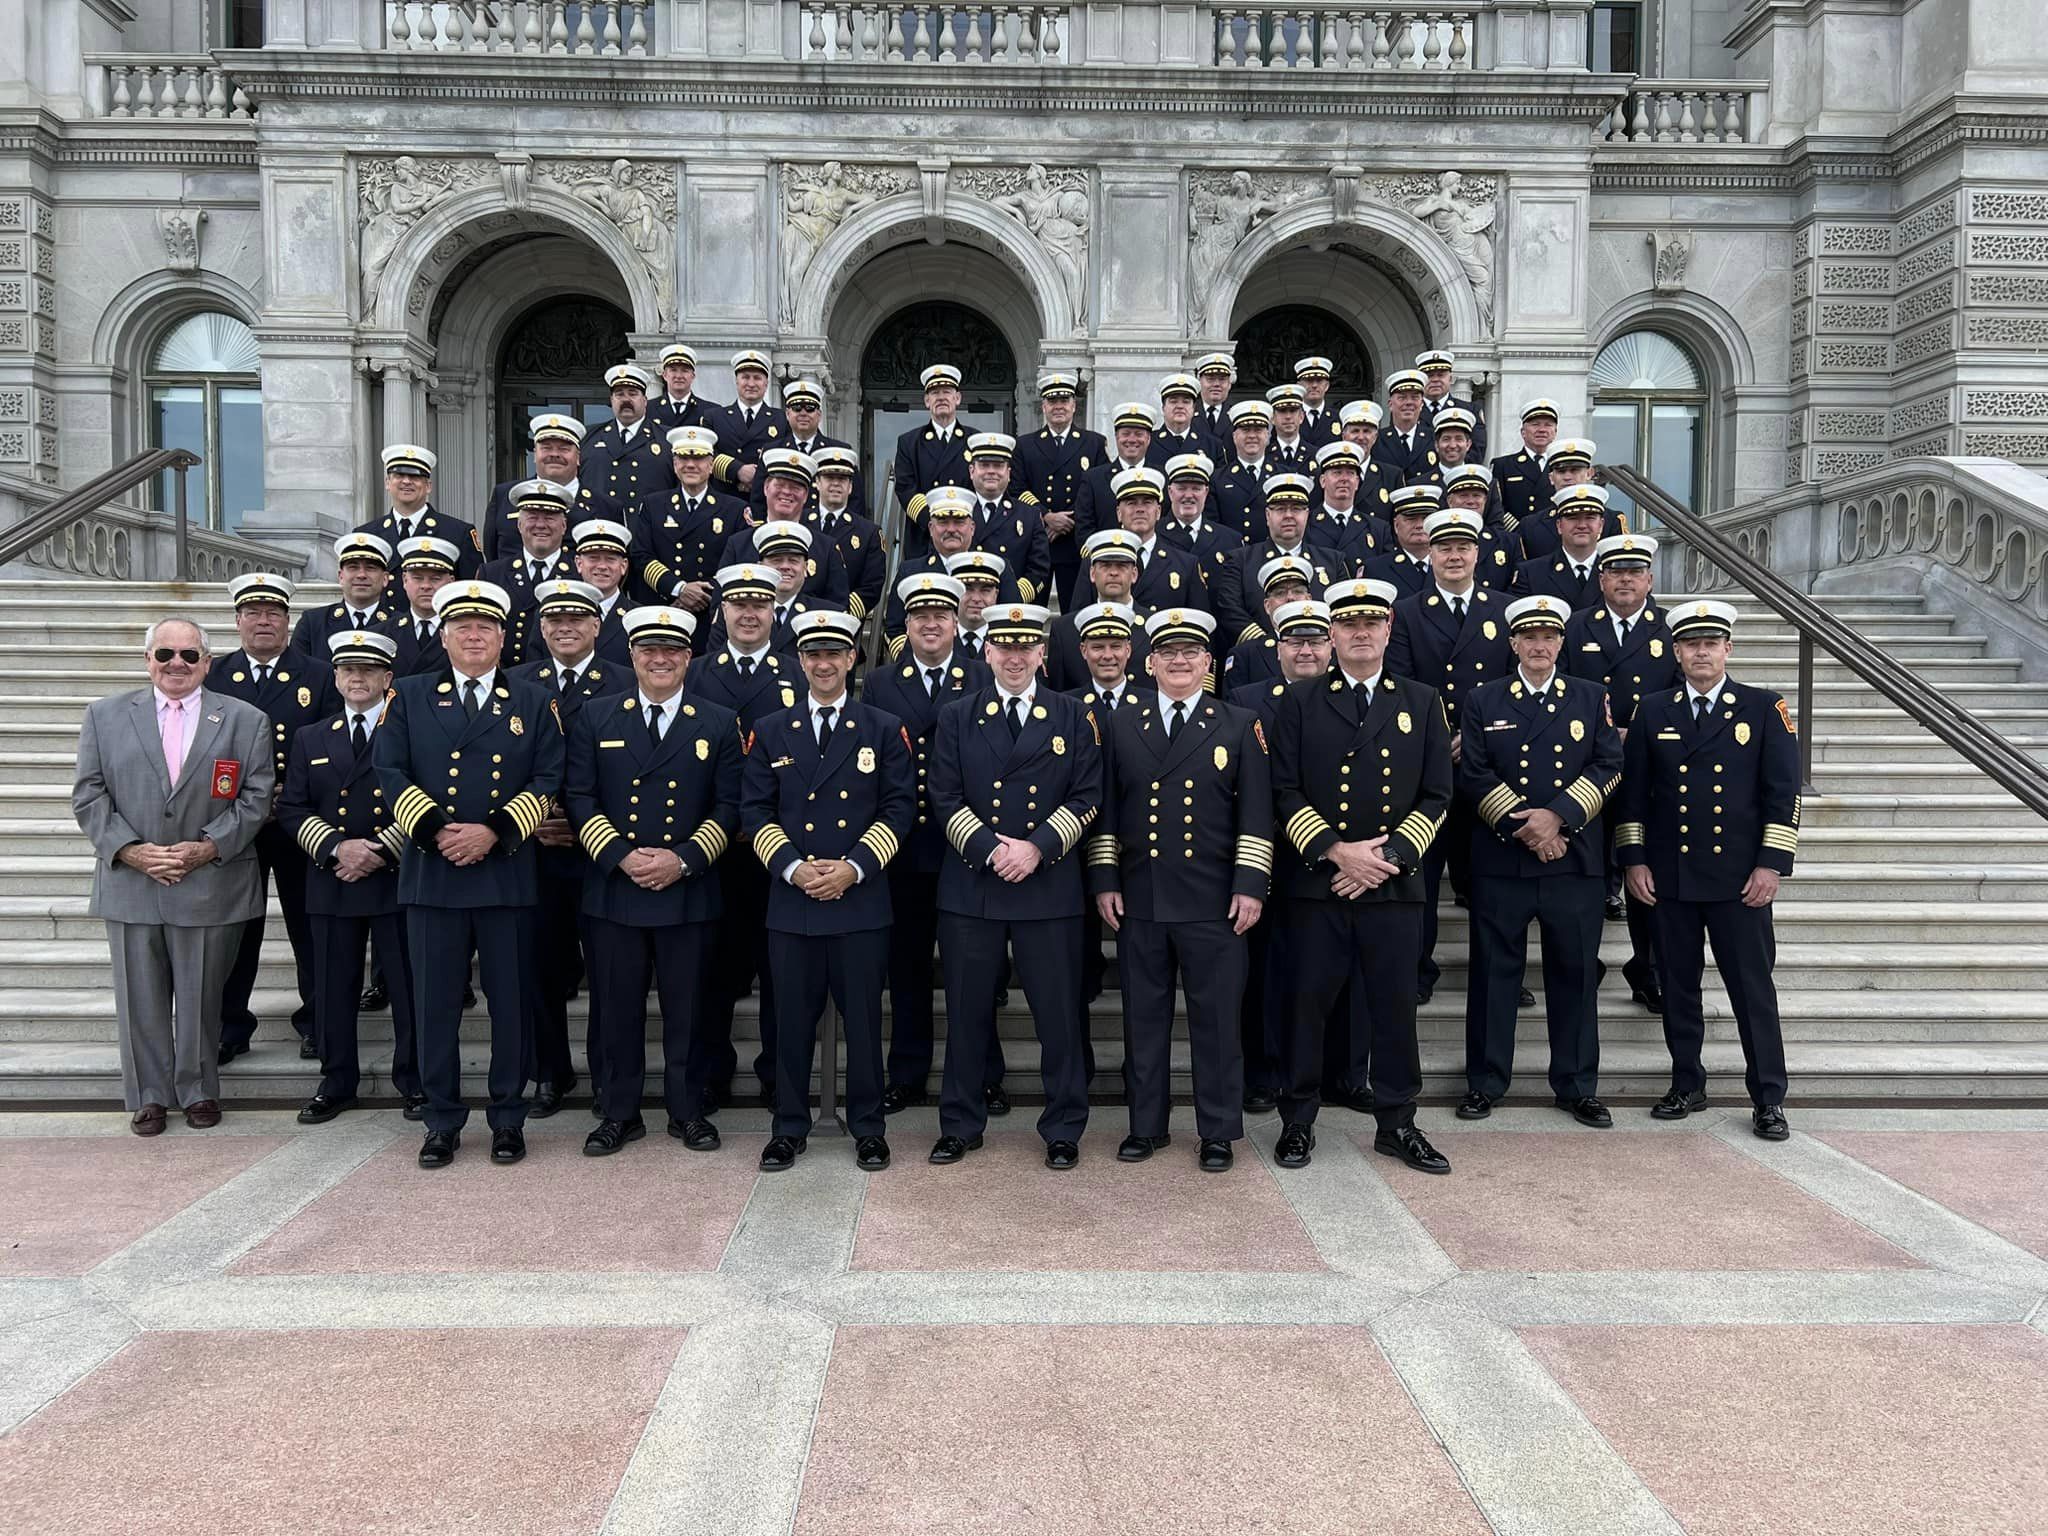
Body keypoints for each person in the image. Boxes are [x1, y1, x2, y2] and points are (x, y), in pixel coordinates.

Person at [376, 580, 564, 1169]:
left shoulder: (532, 700)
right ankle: (440, 1119)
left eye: (486, 627)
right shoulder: (406, 694)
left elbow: (548, 776)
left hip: (506, 872)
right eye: (462, 626)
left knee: (510, 1003)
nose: (475, 635)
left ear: (504, 637)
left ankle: (508, 1117)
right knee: (434, 1006)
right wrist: (437, 831)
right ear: (444, 633)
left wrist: (496, 832)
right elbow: (389, 770)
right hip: (434, 873)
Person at [1269, 579, 1452, 1175]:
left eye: (1371, 623)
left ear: (1388, 630)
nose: (1361, 633)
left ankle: (1398, 1123)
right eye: (1348, 625)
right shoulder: (1298, 701)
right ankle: (1297, 1120)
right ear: (1333, 635)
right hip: (1318, 885)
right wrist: (1335, 851)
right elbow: (1284, 788)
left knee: (1394, 1008)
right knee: (1307, 1005)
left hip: (1394, 886)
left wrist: (1389, 858)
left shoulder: (1421, 701)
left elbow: (1436, 793)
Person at [73, 617, 273, 1135]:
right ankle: (150, 1096)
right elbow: (90, 796)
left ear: (208, 662)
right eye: (165, 655)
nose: (176, 665)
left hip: (210, 881)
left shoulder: (245, 719)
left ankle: (200, 1089)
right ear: (148, 661)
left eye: (189, 655)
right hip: (133, 881)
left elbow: (256, 797)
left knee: (205, 997)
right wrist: (133, 851)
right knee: (140, 998)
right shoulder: (105, 716)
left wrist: (207, 848)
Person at [1090, 607, 1270, 1172]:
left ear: (1208, 663)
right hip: (1141, 896)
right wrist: (1104, 878)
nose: (1180, 661)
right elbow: (1106, 810)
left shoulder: (1239, 723)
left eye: (1190, 653)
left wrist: (1250, 886)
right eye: (1168, 653)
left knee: (1216, 1021)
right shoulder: (1122, 722)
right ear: (1150, 663)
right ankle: (1147, 1125)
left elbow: (1257, 814)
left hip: (1214, 901)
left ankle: (1217, 1130)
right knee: (1144, 1017)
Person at [1616, 599, 1801, 1141]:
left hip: (1740, 881)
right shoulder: (1654, 709)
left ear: (1728, 649)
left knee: (1752, 992)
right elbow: (1634, 797)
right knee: (1678, 987)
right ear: (1676, 652)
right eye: (1690, 644)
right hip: (1670, 878)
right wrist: (1634, 858)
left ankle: (1768, 1097)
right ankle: (1686, 1082)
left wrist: (1772, 865)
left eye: (1710, 643)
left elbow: (1783, 794)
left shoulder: (1765, 708)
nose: (1701, 652)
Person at [928, 603, 1103, 1168]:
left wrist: (1037, 849)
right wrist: (990, 849)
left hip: (1046, 887)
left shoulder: (1072, 715)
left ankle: (1063, 1127)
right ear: (986, 651)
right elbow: (944, 795)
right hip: (973, 886)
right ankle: (960, 1122)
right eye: (1004, 647)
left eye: (1026, 647)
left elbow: (1087, 797)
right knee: (967, 1013)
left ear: (1042, 654)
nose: (1014, 657)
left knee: (1058, 1017)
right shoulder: (957, 714)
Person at [565, 604, 742, 1155]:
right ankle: (619, 1112)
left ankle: (687, 1110)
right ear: (633, 656)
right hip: (615, 887)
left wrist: (683, 859)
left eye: (672, 651)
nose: (660, 659)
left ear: (688, 658)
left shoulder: (717, 720)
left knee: (689, 1009)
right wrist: (620, 855)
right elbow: (579, 797)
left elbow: (729, 805)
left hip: (688, 887)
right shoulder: (596, 716)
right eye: (649, 651)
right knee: (616, 1008)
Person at [743, 609, 915, 1173]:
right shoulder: (770, 730)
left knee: (864, 1022)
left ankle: (868, 1126)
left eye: (833, 654)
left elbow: (898, 809)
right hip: (793, 901)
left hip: (860, 899)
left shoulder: (882, 728)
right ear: (800, 662)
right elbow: (755, 812)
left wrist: (853, 867)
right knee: (789, 1021)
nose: (823, 663)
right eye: (813, 655)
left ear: (852, 659)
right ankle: (788, 1126)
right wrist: (794, 868)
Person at [1456, 594, 1623, 1127]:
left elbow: (1609, 765)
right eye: (1528, 637)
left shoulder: (1590, 696)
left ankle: (1576, 1085)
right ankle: (1485, 1083)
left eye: (1548, 637)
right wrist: (1527, 828)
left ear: (1560, 643)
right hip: (1503, 858)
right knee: (1492, 977)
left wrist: (1559, 818)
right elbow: (1473, 773)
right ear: (1512, 644)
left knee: (1574, 974)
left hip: (1572, 862)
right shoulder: (1483, 699)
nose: (1539, 646)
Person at [277, 629, 424, 1123]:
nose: (357, 678)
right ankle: (337, 1081)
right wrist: (338, 847)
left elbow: (427, 797)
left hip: (393, 876)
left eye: (368, 670)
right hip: (332, 875)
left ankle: (415, 1079)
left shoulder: (408, 730)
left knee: (407, 988)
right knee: (333, 988)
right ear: (335, 677)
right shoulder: (310, 736)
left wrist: (381, 848)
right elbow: (293, 807)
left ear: (388, 677)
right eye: (347, 670)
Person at [862, 574, 992, 1111]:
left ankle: (984, 1072)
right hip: (904, 848)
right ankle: (908, 1073)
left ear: (956, 621)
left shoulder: (981, 674)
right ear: (907, 626)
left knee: (973, 970)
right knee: (908, 967)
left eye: (941, 616)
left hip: (964, 847)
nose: (931, 625)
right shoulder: (881, 681)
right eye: (920, 617)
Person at [510, 578, 628, 1116]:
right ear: (541, 628)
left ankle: (608, 1074)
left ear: (597, 627)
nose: (565, 628)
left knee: (608, 973)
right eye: (554, 620)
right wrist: (530, 818)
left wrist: (583, 829)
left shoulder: (625, 682)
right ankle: (549, 1073)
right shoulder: (513, 683)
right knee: (538, 970)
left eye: (577, 620)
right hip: (530, 851)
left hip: (603, 854)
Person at [1386, 507, 1514, 1003]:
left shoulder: (1505, 609)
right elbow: (1400, 684)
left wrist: (1476, 738)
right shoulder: (1407, 611)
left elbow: (1511, 687)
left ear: (1477, 554)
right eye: (1444, 547)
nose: (1454, 555)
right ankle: (1418, 970)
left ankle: (1497, 972)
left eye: (1463, 547)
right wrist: (1442, 735)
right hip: (1427, 763)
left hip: (1490, 765)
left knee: (1489, 881)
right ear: (1430, 554)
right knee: (1421, 875)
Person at [686, 562, 803, 1105]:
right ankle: (710, 1072)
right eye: (739, 605)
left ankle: (780, 1075)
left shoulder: (798, 672)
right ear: (723, 611)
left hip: (776, 850)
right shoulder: (695, 671)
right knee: (712, 971)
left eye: (760, 605)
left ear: (773, 611)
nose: (749, 614)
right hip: (711, 851)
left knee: (782, 973)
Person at [211, 573, 337, 1065]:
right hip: (237, 823)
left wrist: (297, 793)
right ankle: (230, 1025)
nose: (264, 621)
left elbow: (332, 742)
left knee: (311, 928)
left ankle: (316, 1022)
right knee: (237, 929)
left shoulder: (319, 674)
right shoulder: (216, 674)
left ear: (288, 622)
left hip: (297, 823)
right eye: (253, 613)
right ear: (238, 621)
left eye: (274, 613)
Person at [1563, 534, 1679, 1009]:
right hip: (1585, 769)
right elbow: (1562, 692)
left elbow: (1680, 694)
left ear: (1650, 579)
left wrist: (1642, 733)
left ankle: (1647, 969)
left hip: (1648, 771)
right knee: (1586, 874)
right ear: (1601, 578)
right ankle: (1582, 963)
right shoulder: (1573, 627)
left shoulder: (1672, 630)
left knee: (1644, 873)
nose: (1625, 579)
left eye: (1635, 571)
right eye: (1616, 572)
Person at [1230, 598, 1332, 1111]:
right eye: (1296, 641)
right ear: (1278, 648)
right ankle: (1262, 1074)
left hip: (1330, 860)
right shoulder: (1247, 700)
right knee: (1264, 973)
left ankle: (1340, 1073)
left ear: (1330, 645)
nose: (1306, 650)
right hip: (1267, 855)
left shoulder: (1351, 698)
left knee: (1330, 972)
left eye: (1315, 640)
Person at [1212, 474, 1345, 652]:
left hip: (1318, 658)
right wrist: (1271, 644)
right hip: (1261, 658)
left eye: (1296, 509)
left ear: (1307, 514)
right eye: (1280, 509)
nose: (1288, 516)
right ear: (1268, 515)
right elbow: (1230, 610)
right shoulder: (1241, 561)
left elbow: (1340, 613)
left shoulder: (1333, 562)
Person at [1013, 370, 1107, 611]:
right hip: (1037, 540)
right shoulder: (1025, 445)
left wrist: (1069, 519)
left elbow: (1101, 489)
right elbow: (1016, 487)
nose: (1058, 407)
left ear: (1074, 405)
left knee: (1075, 613)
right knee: (1029, 612)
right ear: (1043, 406)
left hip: (1074, 543)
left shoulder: (1093, 443)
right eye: (1052, 401)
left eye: (1064, 400)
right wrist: (1046, 516)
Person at [631, 424, 744, 608]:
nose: (690, 465)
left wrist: (704, 595)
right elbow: (641, 555)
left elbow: (739, 563)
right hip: (667, 606)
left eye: (698, 458)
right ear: (675, 465)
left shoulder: (735, 509)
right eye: (684, 458)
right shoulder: (653, 506)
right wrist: (679, 589)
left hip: (712, 608)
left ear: (711, 465)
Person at [481, 477, 577, 666]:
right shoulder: (492, 575)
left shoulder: (581, 575)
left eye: (549, 517)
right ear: (519, 525)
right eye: (532, 517)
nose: (540, 525)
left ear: (564, 526)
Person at [356, 443, 484, 579]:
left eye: (415, 477)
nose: (406, 481)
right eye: (399, 475)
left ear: (428, 486)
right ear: (387, 482)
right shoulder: (367, 534)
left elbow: (470, 588)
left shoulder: (458, 533)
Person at [894, 362, 977, 560]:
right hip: (923, 536)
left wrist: (962, 524)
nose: (941, 397)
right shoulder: (909, 442)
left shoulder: (975, 440)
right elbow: (905, 487)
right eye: (934, 392)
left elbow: (982, 487)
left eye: (947, 391)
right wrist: (934, 523)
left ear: (957, 398)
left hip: (965, 537)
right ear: (926, 401)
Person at [481, 414, 584, 563]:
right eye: (546, 448)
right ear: (535, 454)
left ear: (578, 457)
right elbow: (492, 554)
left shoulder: (605, 506)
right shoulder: (504, 495)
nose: (554, 454)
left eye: (564, 449)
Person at [965, 431, 1052, 603]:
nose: (991, 471)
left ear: (1009, 472)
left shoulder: (1029, 515)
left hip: (1009, 611)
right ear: (972, 471)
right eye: (984, 465)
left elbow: (1039, 567)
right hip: (966, 607)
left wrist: (1012, 596)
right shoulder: (958, 512)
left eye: (998, 466)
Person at [808, 445, 887, 621]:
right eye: (829, 477)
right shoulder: (798, 523)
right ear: (817, 482)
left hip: (843, 623)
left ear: (850, 487)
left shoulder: (869, 533)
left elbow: (871, 587)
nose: (836, 483)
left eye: (842, 479)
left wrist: (840, 615)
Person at [291, 532, 401, 655]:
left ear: (385, 579)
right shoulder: (313, 623)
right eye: (353, 567)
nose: (361, 575)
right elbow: (298, 669)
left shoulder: (400, 625)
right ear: (341, 577)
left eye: (370, 568)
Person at [580, 363, 668, 517]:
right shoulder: (588, 437)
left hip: (647, 532)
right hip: (600, 531)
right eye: (619, 394)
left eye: (633, 393)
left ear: (645, 401)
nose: (626, 399)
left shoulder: (666, 439)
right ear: (611, 400)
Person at [1074, 402, 1161, 549]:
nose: (1132, 440)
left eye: (1139, 434)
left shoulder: (1162, 477)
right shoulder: (1093, 479)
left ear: (1148, 439)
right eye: (1125, 434)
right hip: (1109, 565)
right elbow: (1084, 530)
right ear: (1116, 437)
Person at [1515, 483, 1612, 608]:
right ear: (1559, 526)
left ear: (1601, 525)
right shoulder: (1531, 573)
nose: (1582, 525)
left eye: (1590, 518)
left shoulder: (1616, 573)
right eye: (1573, 518)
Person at [711, 350, 789, 496]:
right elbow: (706, 454)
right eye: (745, 377)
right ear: (737, 381)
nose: (751, 384)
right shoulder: (715, 416)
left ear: (766, 384)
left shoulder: (782, 419)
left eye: (757, 378)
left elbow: (789, 455)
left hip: (766, 498)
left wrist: (758, 476)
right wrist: (738, 470)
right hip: (724, 497)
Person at [390, 535, 460, 677]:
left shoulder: (463, 634)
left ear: (451, 582)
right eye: (418, 578)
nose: (426, 586)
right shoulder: (384, 633)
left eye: (435, 579)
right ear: (404, 580)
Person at [1490, 399, 1558, 536]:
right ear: (1523, 432)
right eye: (1535, 424)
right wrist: (1519, 529)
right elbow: (1495, 504)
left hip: (1554, 535)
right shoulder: (1503, 465)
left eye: (1548, 425)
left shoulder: (1561, 466)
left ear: (1555, 432)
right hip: (1517, 536)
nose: (1542, 430)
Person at [1211, 400, 1273, 538]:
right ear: (1234, 437)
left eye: (1258, 430)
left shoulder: (1282, 475)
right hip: (1232, 555)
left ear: (1267, 436)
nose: (1252, 436)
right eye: (1245, 430)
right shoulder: (1217, 479)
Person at [1417, 347, 1487, 460]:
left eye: (1440, 375)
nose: (1435, 380)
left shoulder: (1469, 410)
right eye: (1429, 375)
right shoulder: (1410, 411)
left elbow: (1477, 452)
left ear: (1450, 378)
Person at [647, 341, 720, 437]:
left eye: (684, 371)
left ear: (693, 376)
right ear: (664, 375)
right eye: (673, 370)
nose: (679, 376)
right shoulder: (648, 409)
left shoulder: (711, 411)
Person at [1372, 370, 1434, 482]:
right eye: (1402, 398)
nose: (1409, 402)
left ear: (1421, 405)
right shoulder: (1377, 440)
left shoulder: (1434, 438)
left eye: (1415, 398)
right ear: (1390, 404)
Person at [1147, 373, 1207, 467]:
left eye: (1186, 402)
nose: (1180, 406)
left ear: (1194, 408)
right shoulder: (1147, 442)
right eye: (1173, 401)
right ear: (1163, 408)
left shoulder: (1212, 444)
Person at [1191, 352, 1236, 455]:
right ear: (1199, 381)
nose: (1216, 384)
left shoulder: (1237, 415)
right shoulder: (1187, 414)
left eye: (1222, 379)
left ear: (1229, 384)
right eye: (1210, 379)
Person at [1295, 356, 1344, 447]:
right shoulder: (1290, 418)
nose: (1314, 385)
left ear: (1327, 386)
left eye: (1319, 380)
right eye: (1309, 380)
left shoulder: (1339, 418)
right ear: (1299, 386)